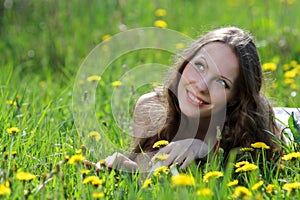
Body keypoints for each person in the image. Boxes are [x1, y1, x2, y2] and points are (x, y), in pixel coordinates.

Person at [104, 26, 287, 172]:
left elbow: (260, 175)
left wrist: (204, 149)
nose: (201, 86)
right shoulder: (151, 108)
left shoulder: (254, 127)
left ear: (235, 98)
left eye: (221, 82)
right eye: (200, 65)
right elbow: (149, 175)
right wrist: (127, 170)